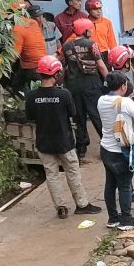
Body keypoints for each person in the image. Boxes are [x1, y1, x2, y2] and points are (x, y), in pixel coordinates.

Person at [25, 56, 102, 220]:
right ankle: (82, 205)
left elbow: (30, 117)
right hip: (64, 142)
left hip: (43, 142)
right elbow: (73, 114)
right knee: (72, 172)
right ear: (56, 73)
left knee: (51, 175)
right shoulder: (64, 94)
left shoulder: (31, 96)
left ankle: (60, 208)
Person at [97, 71, 134, 230]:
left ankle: (113, 218)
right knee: (125, 185)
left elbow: (116, 103)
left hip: (106, 149)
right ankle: (126, 220)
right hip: (121, 151)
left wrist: (130, 98)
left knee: (110, 184)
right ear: (123, 85)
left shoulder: (101, 100)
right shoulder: (125, 103)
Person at [62, 18, 109, 160]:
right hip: (91, 83)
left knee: (78, 117)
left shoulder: (66, 46)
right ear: (85, 30)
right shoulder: (91, 44)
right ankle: (107, 146)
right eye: (90, 29)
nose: (91, 31)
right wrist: (109, 80)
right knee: (96, 115)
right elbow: (100, 65)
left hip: (73, 85)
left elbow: (65, 64)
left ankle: (81, 149)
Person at [11, 3, 46, 95]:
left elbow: (15, 53)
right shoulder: (34, 23)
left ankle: (27, 103)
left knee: (19, 85)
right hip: (39, 62)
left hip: (31, 64)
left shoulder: (18, 27)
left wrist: (6, 66)